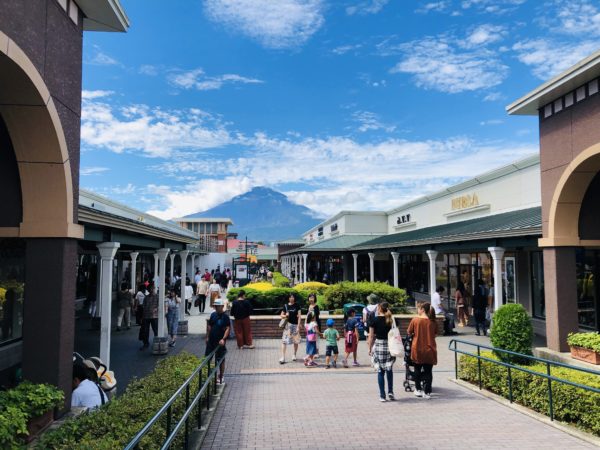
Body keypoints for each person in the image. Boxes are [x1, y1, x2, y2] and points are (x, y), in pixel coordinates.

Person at [407, 302, 438, 399]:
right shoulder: (433, 322)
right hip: (430, 349)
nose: (418, 310)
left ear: (423, 310)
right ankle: (427, 392)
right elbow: (435, 334)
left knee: (417, 369)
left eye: (419, 308)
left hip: (417, 348)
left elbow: (409, 332)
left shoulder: (415, 320)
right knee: (428, 371)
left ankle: (418, 389)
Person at [368, 302, 395, 402]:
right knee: (389, 369)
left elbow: (371, 336)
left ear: (379, 308)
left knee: (380, 371)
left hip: (379, 345)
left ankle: (382, 395)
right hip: (389, 345)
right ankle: (391, 392)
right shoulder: (390, 319)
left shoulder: (374, 320)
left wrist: (369, 348)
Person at [205, 299, 230, 384]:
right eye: (215, 306)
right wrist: (207, 337)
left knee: (220, 359)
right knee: (207, 358)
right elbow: (209, 326)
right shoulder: (213, 315)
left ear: (222, 306)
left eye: (217, 306)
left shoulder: (225, 317)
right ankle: (208, 375)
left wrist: (223, 339)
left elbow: (227, 328)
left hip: (220, 342)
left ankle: (221, 375)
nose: (216, 307)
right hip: (211, 341)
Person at [279, 293, 302, 364]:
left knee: (295, 341)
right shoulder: (285, 306)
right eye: (290, 297)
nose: (292, 298)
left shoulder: (297, 305)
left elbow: (299, 316)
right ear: (288, 298)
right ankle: (283, 357)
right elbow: (281, 315)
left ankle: (294, 354)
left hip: (295, 325)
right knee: (284, 341)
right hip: (287, 326)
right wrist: (285, 315)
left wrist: (298, 326)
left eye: (293, 297)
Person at [140, 284, 158, 350]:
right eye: (149, 289)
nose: (150, 290)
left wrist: (156, 309)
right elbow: (143, 306)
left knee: (156, 330)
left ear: (154, 288)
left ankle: (157, 342)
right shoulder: (146, 297)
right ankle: (146, 343)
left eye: (152, 288)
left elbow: (160, 305)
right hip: (146, 316)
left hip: (154, 316)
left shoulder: (157, 296)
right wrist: (142, 317)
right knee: (145, 331)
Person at [305, 293, 321, 357]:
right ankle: (311, 352)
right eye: (310, 297)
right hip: (309, 325)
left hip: (315, 324)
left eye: (312, 297)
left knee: (316, 338)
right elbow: (307, 316)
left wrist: (314, 325)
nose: (311, 299)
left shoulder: (316, 306)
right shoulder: (308, 306)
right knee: (310, 338)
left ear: (315, 299)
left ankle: (317, 352)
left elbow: (316, 316)